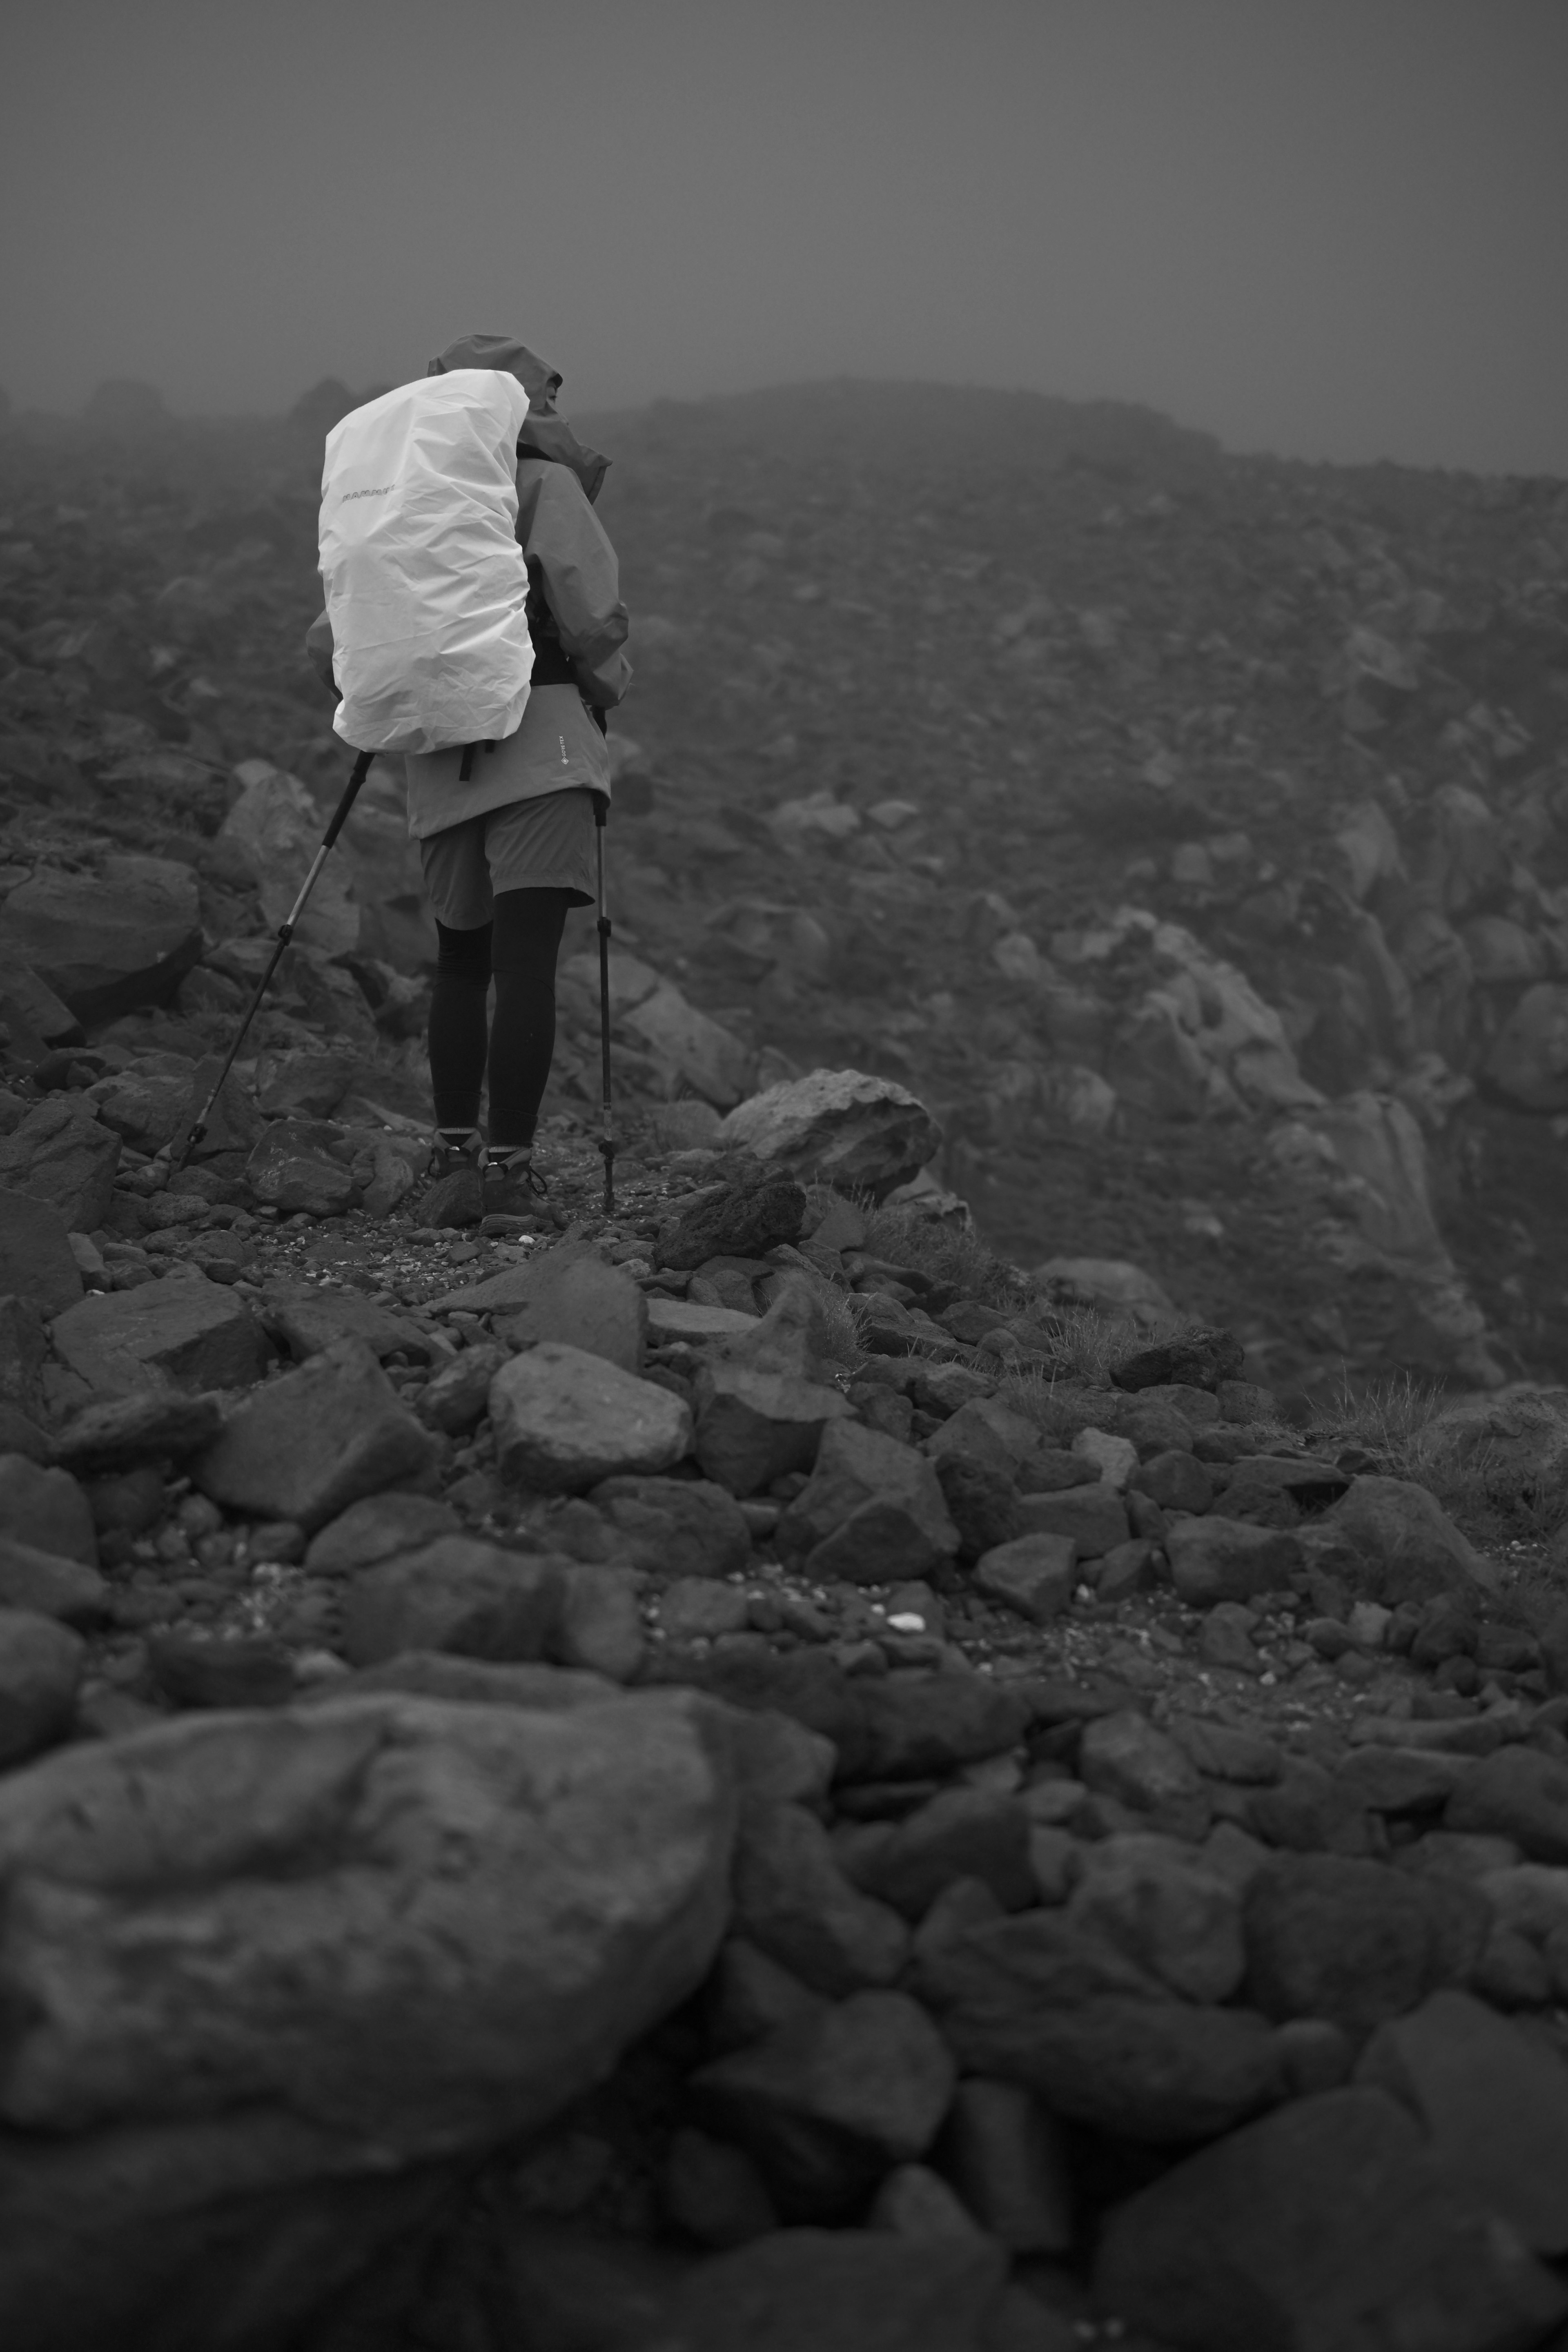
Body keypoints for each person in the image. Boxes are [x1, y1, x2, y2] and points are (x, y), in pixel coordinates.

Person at [305, 332, 630, 1224]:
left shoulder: (407, 504)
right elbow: (594, 619)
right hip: (543, 751)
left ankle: (449, 1155)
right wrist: (607, 690)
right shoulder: (543, 484)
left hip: (436, 762)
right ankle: (510, 1172)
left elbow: (326, 646)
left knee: (459, 963)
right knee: (527, 967)